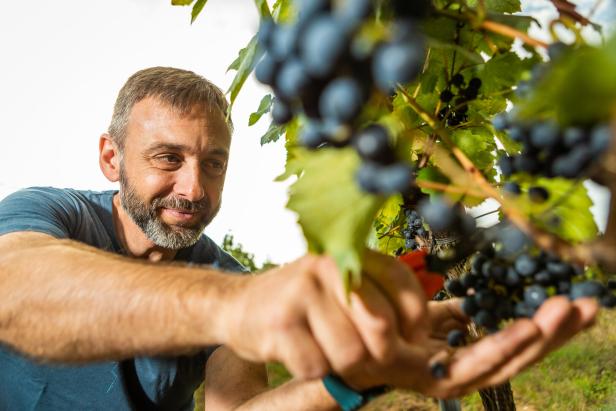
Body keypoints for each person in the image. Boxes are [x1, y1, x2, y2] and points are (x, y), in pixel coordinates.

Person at [0, 67, 598, 411]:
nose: (193, 188)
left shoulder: (227, 274)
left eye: (213, 164)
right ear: (111, 157)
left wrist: (351, 378)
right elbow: (15, 288)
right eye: (166, 158)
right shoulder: (48, 214)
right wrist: (236, 307)